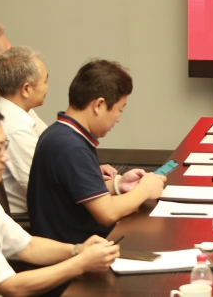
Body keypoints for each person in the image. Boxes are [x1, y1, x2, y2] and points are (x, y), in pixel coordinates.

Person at [0, 104, 119, 296]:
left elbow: (28, 246)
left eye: (5, 147)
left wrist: (77, 250)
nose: (6, 157)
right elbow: (10, 286)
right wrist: (81, 263)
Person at [28, 59, 166, 244]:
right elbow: (107, 213)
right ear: (99, 105)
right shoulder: (70, 146)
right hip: (76, 250)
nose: (118, 119)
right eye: (119, 110)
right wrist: (144, 190)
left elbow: (73, 193)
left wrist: (118, 185)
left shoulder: (59, 133)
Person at [0, 46, 49, 214]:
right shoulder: (15, 128)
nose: (47, 87)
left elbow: (51, 143)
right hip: (30, 219)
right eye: (45, 81)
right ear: (26, 89)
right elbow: (46, 189)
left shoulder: (17, 109)